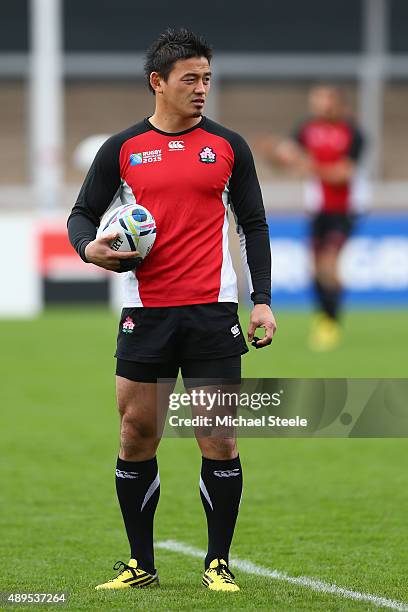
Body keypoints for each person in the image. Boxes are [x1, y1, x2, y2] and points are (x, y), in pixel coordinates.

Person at [67, 28, 276, 593]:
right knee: (137, 432)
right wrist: (90, 249)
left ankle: (218, 562)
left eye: (207, 79)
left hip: (212, 312)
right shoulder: (123, 149)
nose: (202, 88)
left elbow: (254, 225)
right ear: (157, 82)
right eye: (191, 79)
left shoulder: (230, 146)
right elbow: (82, 215)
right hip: (146, 312)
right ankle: (141, 565)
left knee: (219, 438)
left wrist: (262, 303)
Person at [257, 85, 366, 350]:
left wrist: (306, 165)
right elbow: (286, 161)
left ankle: (330, 321)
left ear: (337, 103)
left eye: (323, 101)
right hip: (317, 210)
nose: (318, 106)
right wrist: (272, 155)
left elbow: (343, 174)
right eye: (315, 101)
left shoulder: (354, 133)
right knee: (316, 269)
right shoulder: (307, 129)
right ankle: (326, 317)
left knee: (328, 265)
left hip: (344, 209)